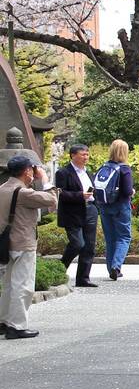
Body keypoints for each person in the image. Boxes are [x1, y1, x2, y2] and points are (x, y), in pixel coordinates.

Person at [0, 155, 59, 339]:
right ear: (26, 171)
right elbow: (52, 200)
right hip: (23, 242)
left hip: (5, 242)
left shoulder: (2, 188)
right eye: (32, 169)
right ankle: (17, 326)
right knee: (22, 285)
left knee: (9, 284)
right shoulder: (24, 193)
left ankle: (3, 321)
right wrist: (45, 179)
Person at [55, 144, 99, 288]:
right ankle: (59, 270)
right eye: (82, 154)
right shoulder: (63, 172)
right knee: (77, 244)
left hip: (90, 210)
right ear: (73, 155)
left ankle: (83, 278)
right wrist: (80, 195)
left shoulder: (88, 172)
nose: (86, 157)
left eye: (87, 154)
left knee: (89, 246)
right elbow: (61, 194)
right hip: (72, 213)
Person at [94, 139, 136, 280]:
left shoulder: (104, 167)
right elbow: (127, 191)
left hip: (104, 206)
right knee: (124, 237)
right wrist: (133, 192)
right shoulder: (124, 169)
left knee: (110, 238)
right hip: (121, 206)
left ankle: (110, 268)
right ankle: (116, 266)